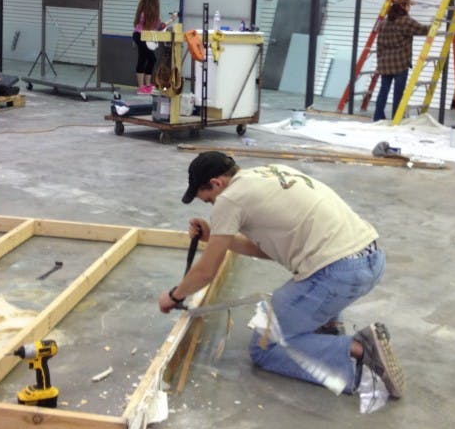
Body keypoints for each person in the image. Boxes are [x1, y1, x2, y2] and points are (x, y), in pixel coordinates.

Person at [158, 151, 405, 399]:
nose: (212, 205)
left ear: (216, 183)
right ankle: (326, 327)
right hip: (369, 260)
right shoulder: (269, 173)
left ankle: (361, 349)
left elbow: (205, 271)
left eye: (209, 199)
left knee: (265, 347)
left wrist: (174, 295)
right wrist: (215, 236)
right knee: (311, 271)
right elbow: (268, 250)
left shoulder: (229, 199)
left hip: (337, 273)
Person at [373, 0, 430, 122]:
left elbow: (379, 45)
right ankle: (396, 118)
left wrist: (379, 63)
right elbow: (424, 30)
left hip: (385, 63)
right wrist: (437, 23)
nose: (409, 7)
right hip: (400, 63)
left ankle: (377, 117)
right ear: (403, 6)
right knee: (398, 94)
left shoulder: (383, 23)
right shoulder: (405, 21)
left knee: (383, 90)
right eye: (408, 5)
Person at [132, 0, 164, 94]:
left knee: (149, 59)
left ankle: (147, 85)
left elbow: (157, 24)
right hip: (140, 36)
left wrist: (163, 23)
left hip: (145, 36)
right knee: (147, 59)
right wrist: (158, 23)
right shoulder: (145, 7)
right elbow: (147, 22)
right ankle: (141, 87)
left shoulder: (153, 7)